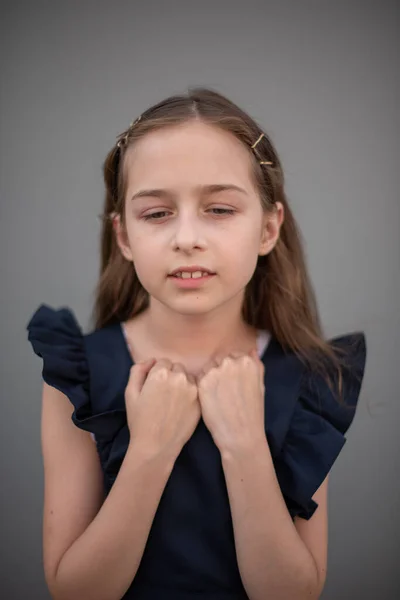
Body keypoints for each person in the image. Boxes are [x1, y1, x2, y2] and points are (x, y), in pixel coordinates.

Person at [26, 87, 366, 600]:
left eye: (220, 209)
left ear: (268, 228)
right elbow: (75, 590)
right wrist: (150, 452)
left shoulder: (311, 380)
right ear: (124, 237)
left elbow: (293, 593)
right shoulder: (78, 376)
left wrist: (245, 445)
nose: (187, 236)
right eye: (157, 213)